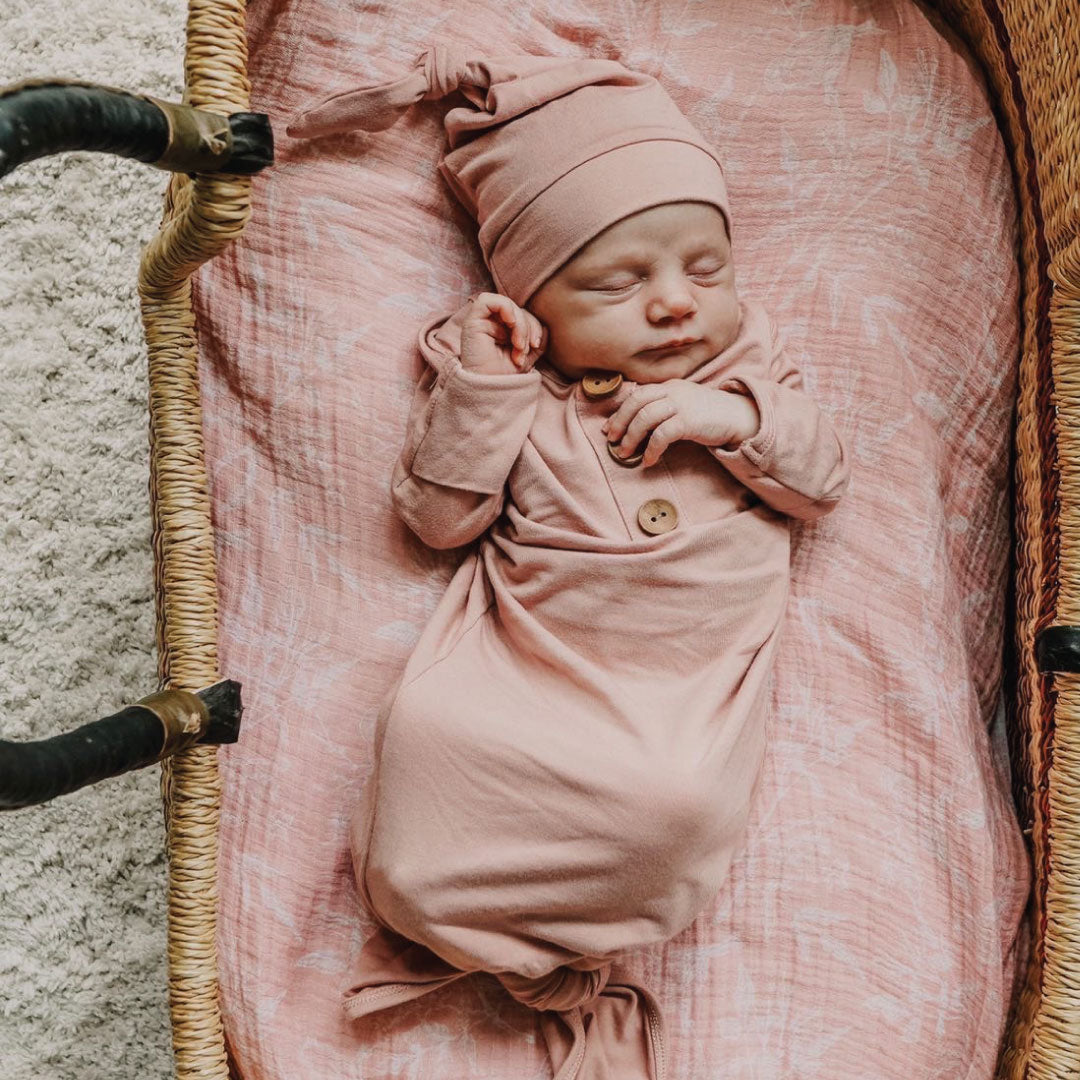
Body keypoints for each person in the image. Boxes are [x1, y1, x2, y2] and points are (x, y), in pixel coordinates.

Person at [287, 42, 850, 1080]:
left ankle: (581, 957)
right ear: (537, 305)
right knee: (422, 746)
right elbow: (440, 520)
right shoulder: (517, 394)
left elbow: (819, 480)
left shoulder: (751, 372)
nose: (677, 303)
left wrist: (727, 418)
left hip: (668, 701)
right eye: (617, 283)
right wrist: (485, 388)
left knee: (675, 805)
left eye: (705, 268)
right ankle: (488, 942)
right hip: (528, 665)